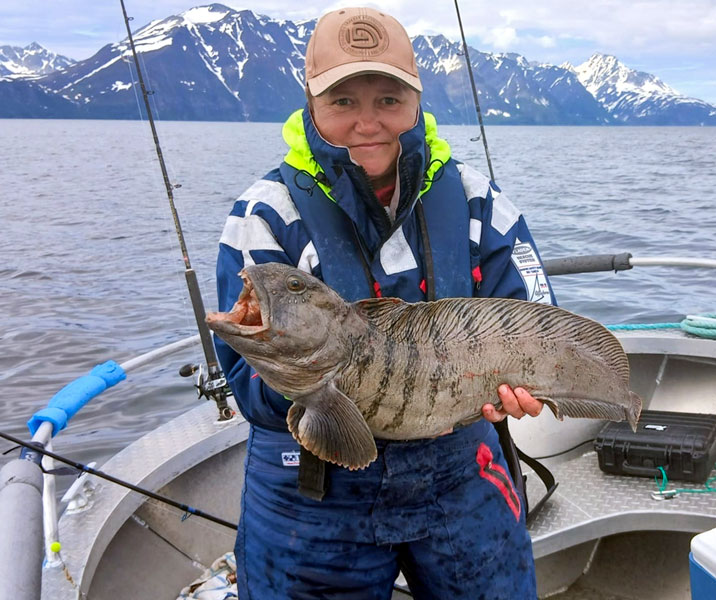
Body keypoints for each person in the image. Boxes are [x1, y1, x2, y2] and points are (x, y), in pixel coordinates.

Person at [213, 6, 555, 599]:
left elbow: (535, 323)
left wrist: (522, 391)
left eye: (389, 100)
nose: (367, 122)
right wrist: (301, 379)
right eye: (343, 101)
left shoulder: (477, 200)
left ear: (417, 102)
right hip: (309, 488)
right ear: (310, 104)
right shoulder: (265, 215)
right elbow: (248, 388)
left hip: (461, 467)